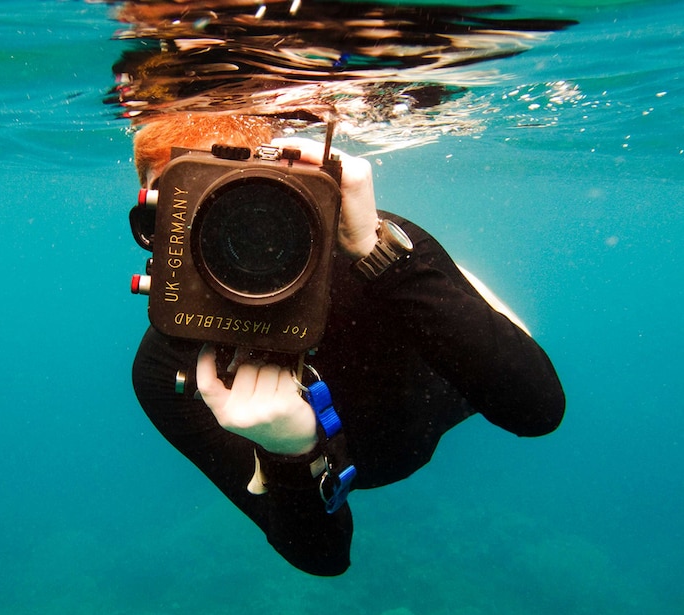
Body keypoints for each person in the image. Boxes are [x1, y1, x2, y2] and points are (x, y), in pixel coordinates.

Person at [131, 113, 565, 576]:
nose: (229, 237)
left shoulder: (373, 248)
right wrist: (289, 454)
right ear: (151, 228)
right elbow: (322, 557)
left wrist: (383, 261)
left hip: (444, 388)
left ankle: (462, 296)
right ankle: (452, 294)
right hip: (363, 458)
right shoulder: (168, 365)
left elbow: (537, 411)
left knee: (489, 336)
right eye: (184, 209)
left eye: (248, 207)